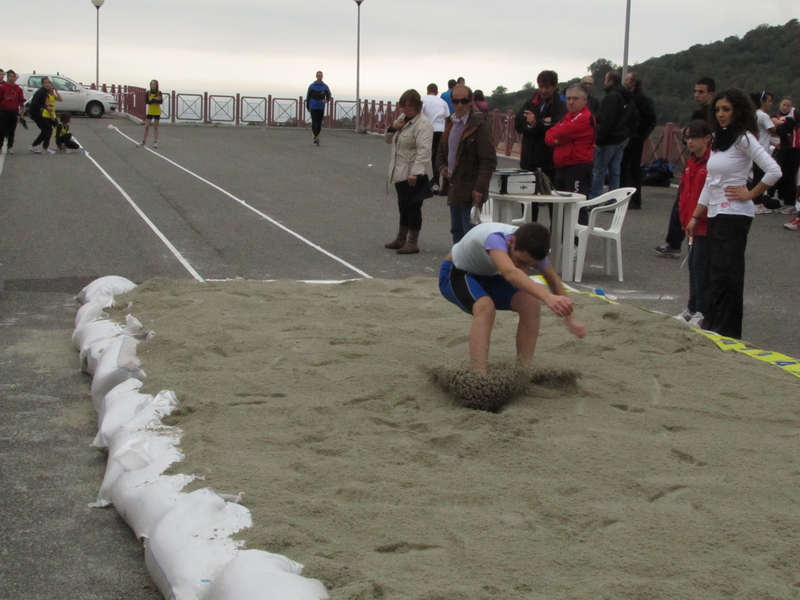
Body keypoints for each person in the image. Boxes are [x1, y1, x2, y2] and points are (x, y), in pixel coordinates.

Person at [686, 88, 781, 340]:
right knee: (713, 273)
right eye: (717, 109)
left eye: (726, 109)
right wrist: (696, 216)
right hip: (716, 213)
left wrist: (750, 193)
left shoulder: (744, 138)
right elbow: (711, 182)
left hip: (736, 214)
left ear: (737, 110)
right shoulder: (719, 139)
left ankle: (727, 332)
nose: (721, 114)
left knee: (728, 275)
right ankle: (713, 326)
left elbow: (774, 171)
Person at [438, 221, 586, 375]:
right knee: (485, 307)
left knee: (531, 303)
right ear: (511, 242)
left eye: (529, 266)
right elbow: (510, 273)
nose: (523, 268)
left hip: (487, 276)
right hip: (456, 273)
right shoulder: (495, 238)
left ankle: (523, 372)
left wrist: (571, 319)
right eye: (521, 261)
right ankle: (479, 377)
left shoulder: (529, 245)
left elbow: (553, 279)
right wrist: (547, 297)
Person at [656, 76, 716, 258]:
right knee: (683, 201)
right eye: (695, 91)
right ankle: (677, 241)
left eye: (701, 92)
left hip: (707, 163)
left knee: (693, 202)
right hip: (695, 162)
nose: (697, 95)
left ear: (711, 94)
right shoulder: (700, 114)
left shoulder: (709, 116)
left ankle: (679, 241)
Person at [436, 85, 497, 243]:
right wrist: (442, 166)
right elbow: (441, 148)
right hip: (453, 185)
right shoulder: (450, 121)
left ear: (470, 101)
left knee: (470, 232)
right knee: (456, 230)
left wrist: (479, 188)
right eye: (456, 101)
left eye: (463, 101)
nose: (459, 105)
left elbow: (488, 160)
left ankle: (472, 266)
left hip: (471, 188)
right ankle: (459, 265)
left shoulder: (479, 125)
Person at [384, 89, 434, 255]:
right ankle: (400, 238)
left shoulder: (423, 124)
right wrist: (392, 127)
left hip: (413, 172)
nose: (406, 109)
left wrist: (416, 172)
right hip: (399, 170)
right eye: (404, 105)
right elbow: (387, 140)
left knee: (413, 207)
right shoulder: (402, 120)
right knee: (402, 206)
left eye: (410, 105)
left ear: (418, 106)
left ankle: (412, 242)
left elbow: (424, 151)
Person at [675, 120, 713, 328]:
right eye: (687, 137)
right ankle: (692, 307)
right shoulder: (691, 162)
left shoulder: (711, 162)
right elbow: (684, 193)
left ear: (707, 138)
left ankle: (702, 311)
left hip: (704, 223)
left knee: (701, 267)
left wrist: (697, 217)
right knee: (692, 266)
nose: (690, 141)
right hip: (690, 221)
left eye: (694, 137)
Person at [514, 70, 567, 221]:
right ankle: (530, 230)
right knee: (528, 199)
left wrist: (536, 123)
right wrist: (540, 125)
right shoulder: (530, 102)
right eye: (541, 86)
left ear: (555, 87)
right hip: (529, 158)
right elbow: (518, 123)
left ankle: (555, 233)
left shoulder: (560, 105)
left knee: (551, 199)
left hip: (548, 159)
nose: (543, 90)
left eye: (547, 87)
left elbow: (557, 126)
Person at [544, 83, 596, 200]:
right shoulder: (568, 116)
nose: (571, 102)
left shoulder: (585, 116)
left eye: (575, 98)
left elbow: (560, 132)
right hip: (562, 167)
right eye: (568, 98)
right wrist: (558, 140)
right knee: (562, 206)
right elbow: (548, 136)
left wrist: (558, 138)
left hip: (578, 167)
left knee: (576, 206)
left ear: (584, 100)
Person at [589, 71, 632, 199]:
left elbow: (608, 120)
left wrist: (600, 140)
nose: (604, 82)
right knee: (615, 171)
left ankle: (594, 199)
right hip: (622, 137)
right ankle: (614, 200)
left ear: (610, 82)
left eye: (606, 80)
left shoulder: (611, 97)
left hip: (610, 139)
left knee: (599, 170)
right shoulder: (626, 96)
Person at [620, 71, 657, 209]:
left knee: (632, 169)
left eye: (627, 80)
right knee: (625, 168)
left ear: (634, 82)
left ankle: (634, 199)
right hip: (627, 138)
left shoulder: (641, 99)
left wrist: (640, 134)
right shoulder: (629, 97)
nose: (625, 82)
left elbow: (650, 118)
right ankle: (626, 197)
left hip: (634, 139)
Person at [749, 91, 778, 213]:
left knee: (757, 175)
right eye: (769, 101)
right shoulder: (763, 116)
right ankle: (756, 202)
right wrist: (780, 123)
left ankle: (757, 201)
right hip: (761, 150)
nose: (771, 104)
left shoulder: (754, 114)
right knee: (759, 177)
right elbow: (773, 130)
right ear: (762, 101)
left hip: (755, 148)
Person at [771, 97, 799, 216]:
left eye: (788, 105)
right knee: (783, 175)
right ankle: (784, 201)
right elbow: (777, 125)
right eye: (784, 105)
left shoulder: (795, 113)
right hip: (784, 149)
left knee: (791, 175)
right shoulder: (776, 117)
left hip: (795, 149)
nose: (785, 107)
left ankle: (791, 204)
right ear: (779, 104)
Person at [420, 83, 450, 194]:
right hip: (440, 131)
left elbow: (419, 114)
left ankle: (427, 183)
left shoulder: (423, 99)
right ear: (437, 92)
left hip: (427, 130)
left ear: (427, 90)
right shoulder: (443, 102)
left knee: (425, 155)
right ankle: (436, 183)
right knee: (437, 157)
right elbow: (447, 118)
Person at [29, 77, 60, 155]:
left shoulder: (45, 92)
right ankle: (45, 147)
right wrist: (43, 107)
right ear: (42, 84)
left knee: (46, 129)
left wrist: (45, 106)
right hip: (35, 113)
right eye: (45, 83)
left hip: (38, 113)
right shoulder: (41, 92)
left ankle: (35, 145)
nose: (47, 84)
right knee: (48, 129)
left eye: (48, 83)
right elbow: (35, 103)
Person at [0, 70, 26, 155]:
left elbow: (21, 101)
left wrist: (22, 113)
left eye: (13, 76)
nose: (11, 78)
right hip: (4, 111)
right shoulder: (3, 87)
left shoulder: (18, 89)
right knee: (2, 130)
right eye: (10, 76)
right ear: (7, 77)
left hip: (13, 112)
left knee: (12, 130)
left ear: (15, 78)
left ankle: (10, 146)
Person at [306, 71, 331, 146]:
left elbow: (329, 95)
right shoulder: (312, 86)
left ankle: (317, 136)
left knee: (319, 122)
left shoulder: (325, 86)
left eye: (321, 76)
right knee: (314, 122)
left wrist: (326, 100)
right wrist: (308, 106)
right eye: (318, 75)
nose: (319, 77)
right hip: (313, 106)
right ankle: (315, 138)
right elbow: (308, 96)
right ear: (316, 76)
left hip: (321, 107)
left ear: (322, 77)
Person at [138, 79, 163, 148]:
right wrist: (155, 100)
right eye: (151, 84)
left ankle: (155, 142)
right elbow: (147, 101)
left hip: (157, 111)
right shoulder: (148, 92)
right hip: (150, 111)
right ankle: (143, 141)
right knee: (146, 127)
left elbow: (160, 101)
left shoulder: (159, 93)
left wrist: (153, 100)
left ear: (156, 85)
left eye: (154, 84)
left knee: (155, 127)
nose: (152, 85)